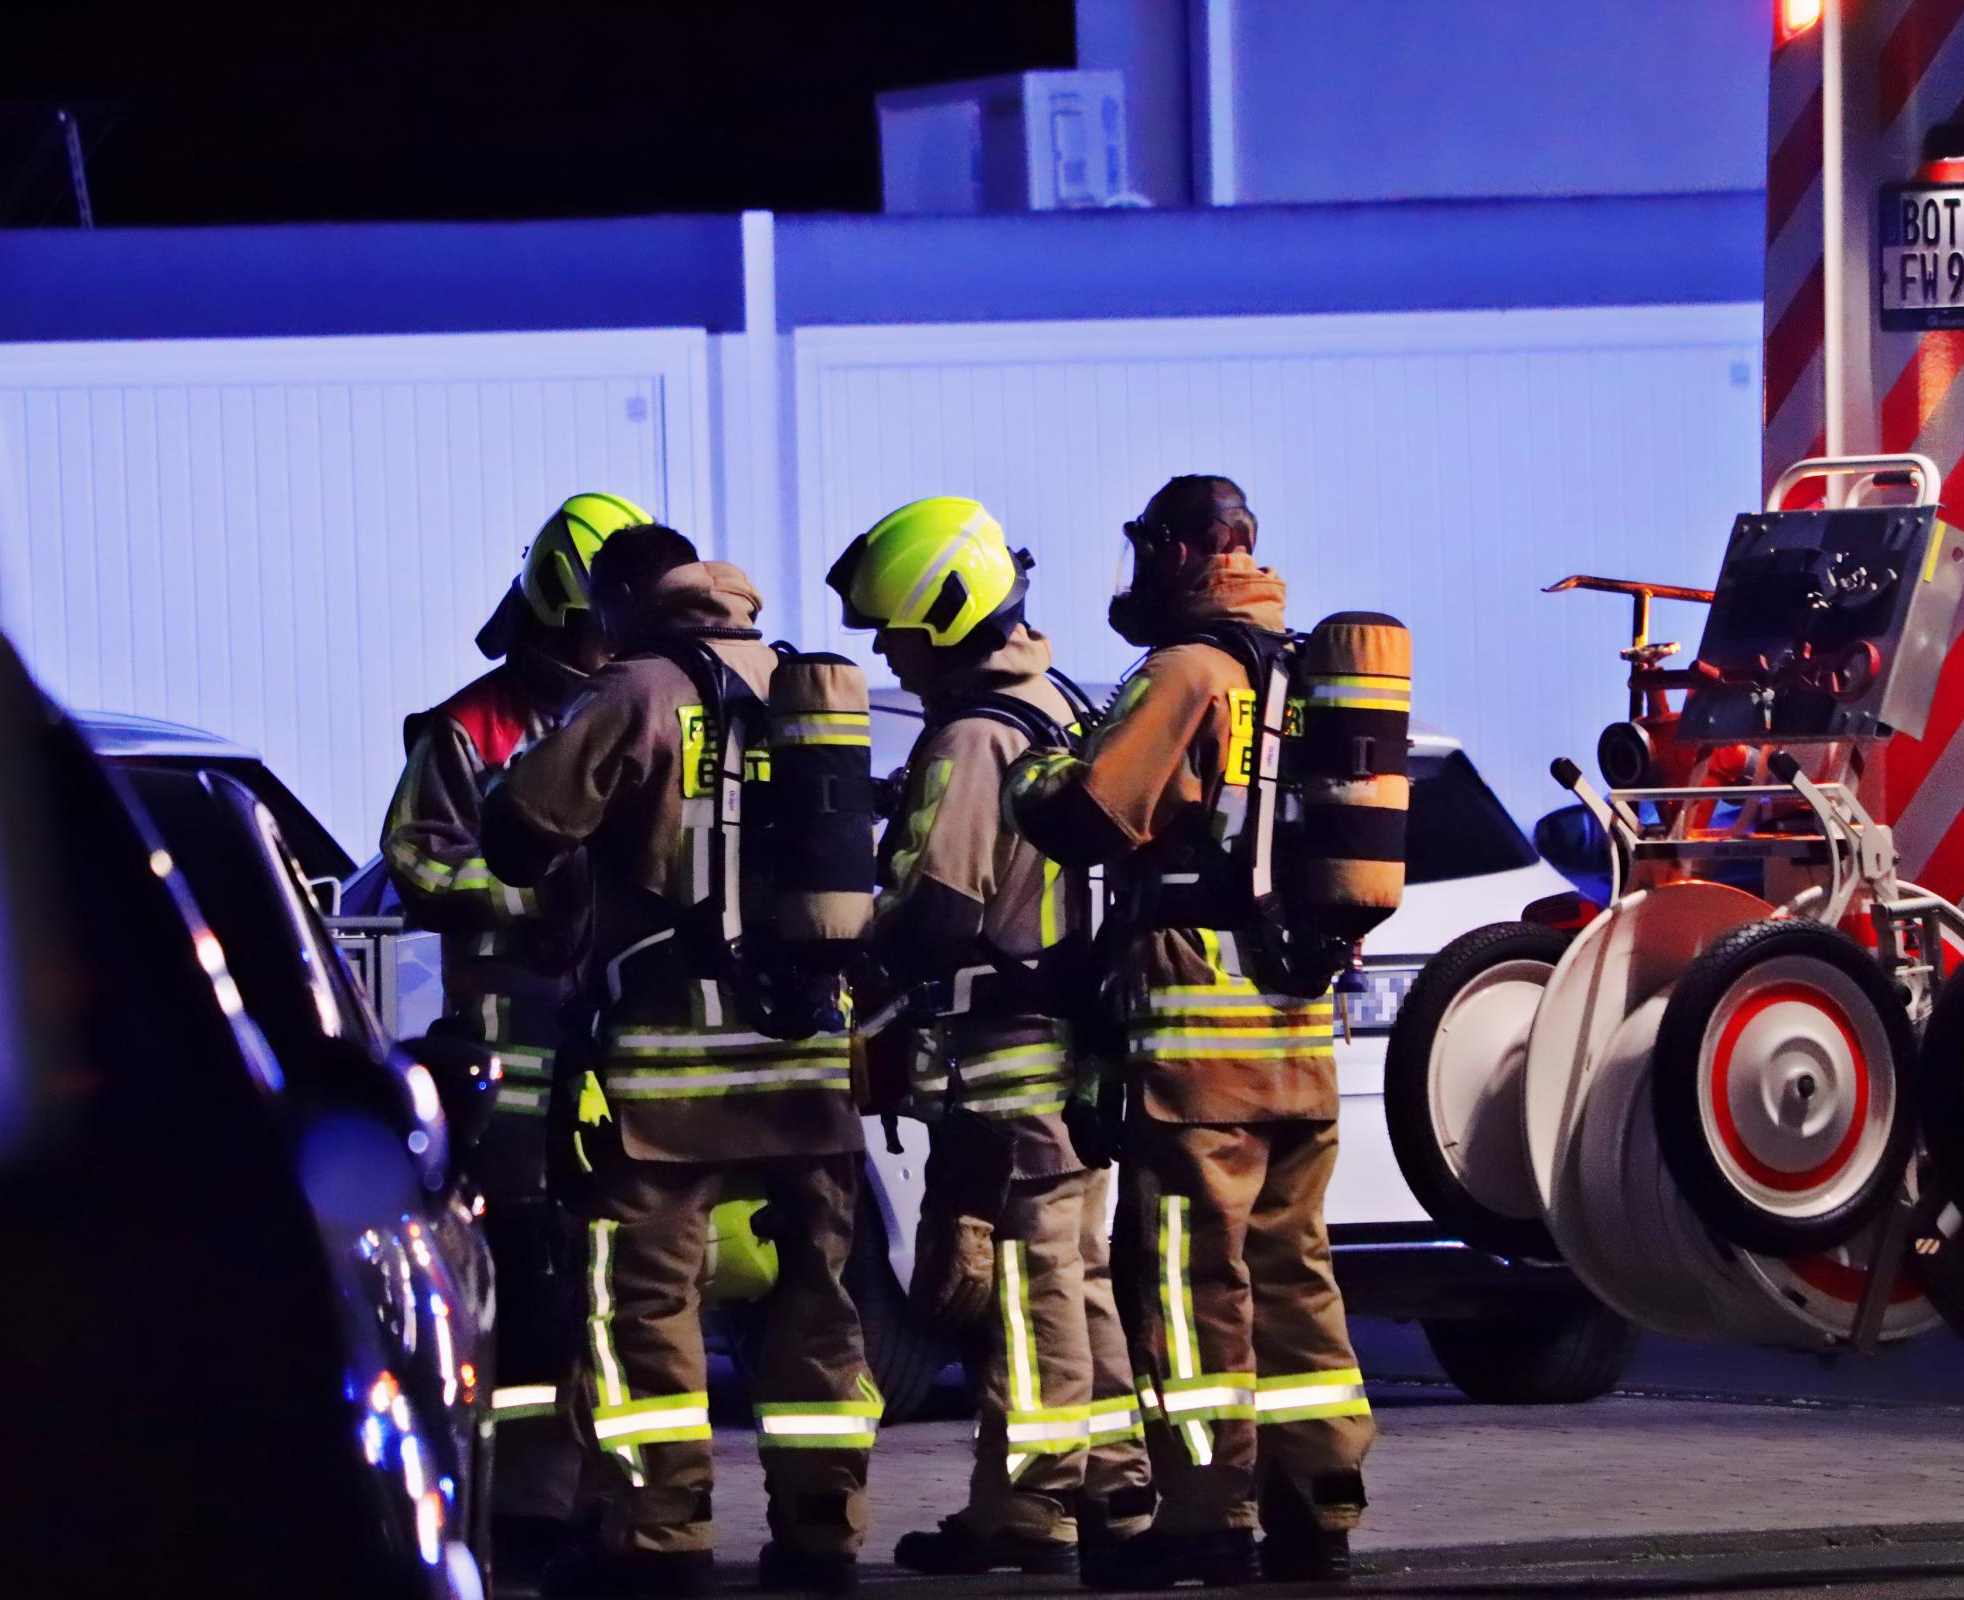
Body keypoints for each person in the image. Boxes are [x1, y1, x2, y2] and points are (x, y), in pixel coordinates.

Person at [480, 524, 878, 1599]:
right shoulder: (805, 686)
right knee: (819, 1299)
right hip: (806, 1060)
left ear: (620, 598)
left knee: (643, 1304)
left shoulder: (636, 689)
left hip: (671, 1070)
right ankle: (822, 1525)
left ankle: (660, 1534)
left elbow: (520, 825)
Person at [1004, 476, 1374, 1589]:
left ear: (1190, 548)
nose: (1141, 565)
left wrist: (1037, 771)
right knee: (1296, 1274)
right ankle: (1323, 1505)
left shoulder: (1187, 672)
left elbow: (1088, 811)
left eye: (1151, 545)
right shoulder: (1302, 672)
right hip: (1297, 1039)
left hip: (1198, 1050)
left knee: (1185, 1281)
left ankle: (1207, 1516)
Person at [823, 497, 1154, 1578]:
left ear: (946, 616)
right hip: (1065, 1056)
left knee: (1029, 1287)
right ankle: (1117, 1487)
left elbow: (938, 908)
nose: (884, 650)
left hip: (1004, 1064)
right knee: (1076, 1275)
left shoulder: (971, 737)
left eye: (896, 628)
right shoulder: (1057, 703)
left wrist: (840, 939)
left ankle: (1029, 1507)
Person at [379, 490, 650, 1560]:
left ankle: (603, 1498)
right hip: (508, 1044)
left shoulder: (634, 703)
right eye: (589, 626)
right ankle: (525, 1511)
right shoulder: (470, 725)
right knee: (523, 1269)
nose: (602, 645)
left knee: (613, 1272)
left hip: (614, 1039)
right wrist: (522, 899)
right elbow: (412, 857)